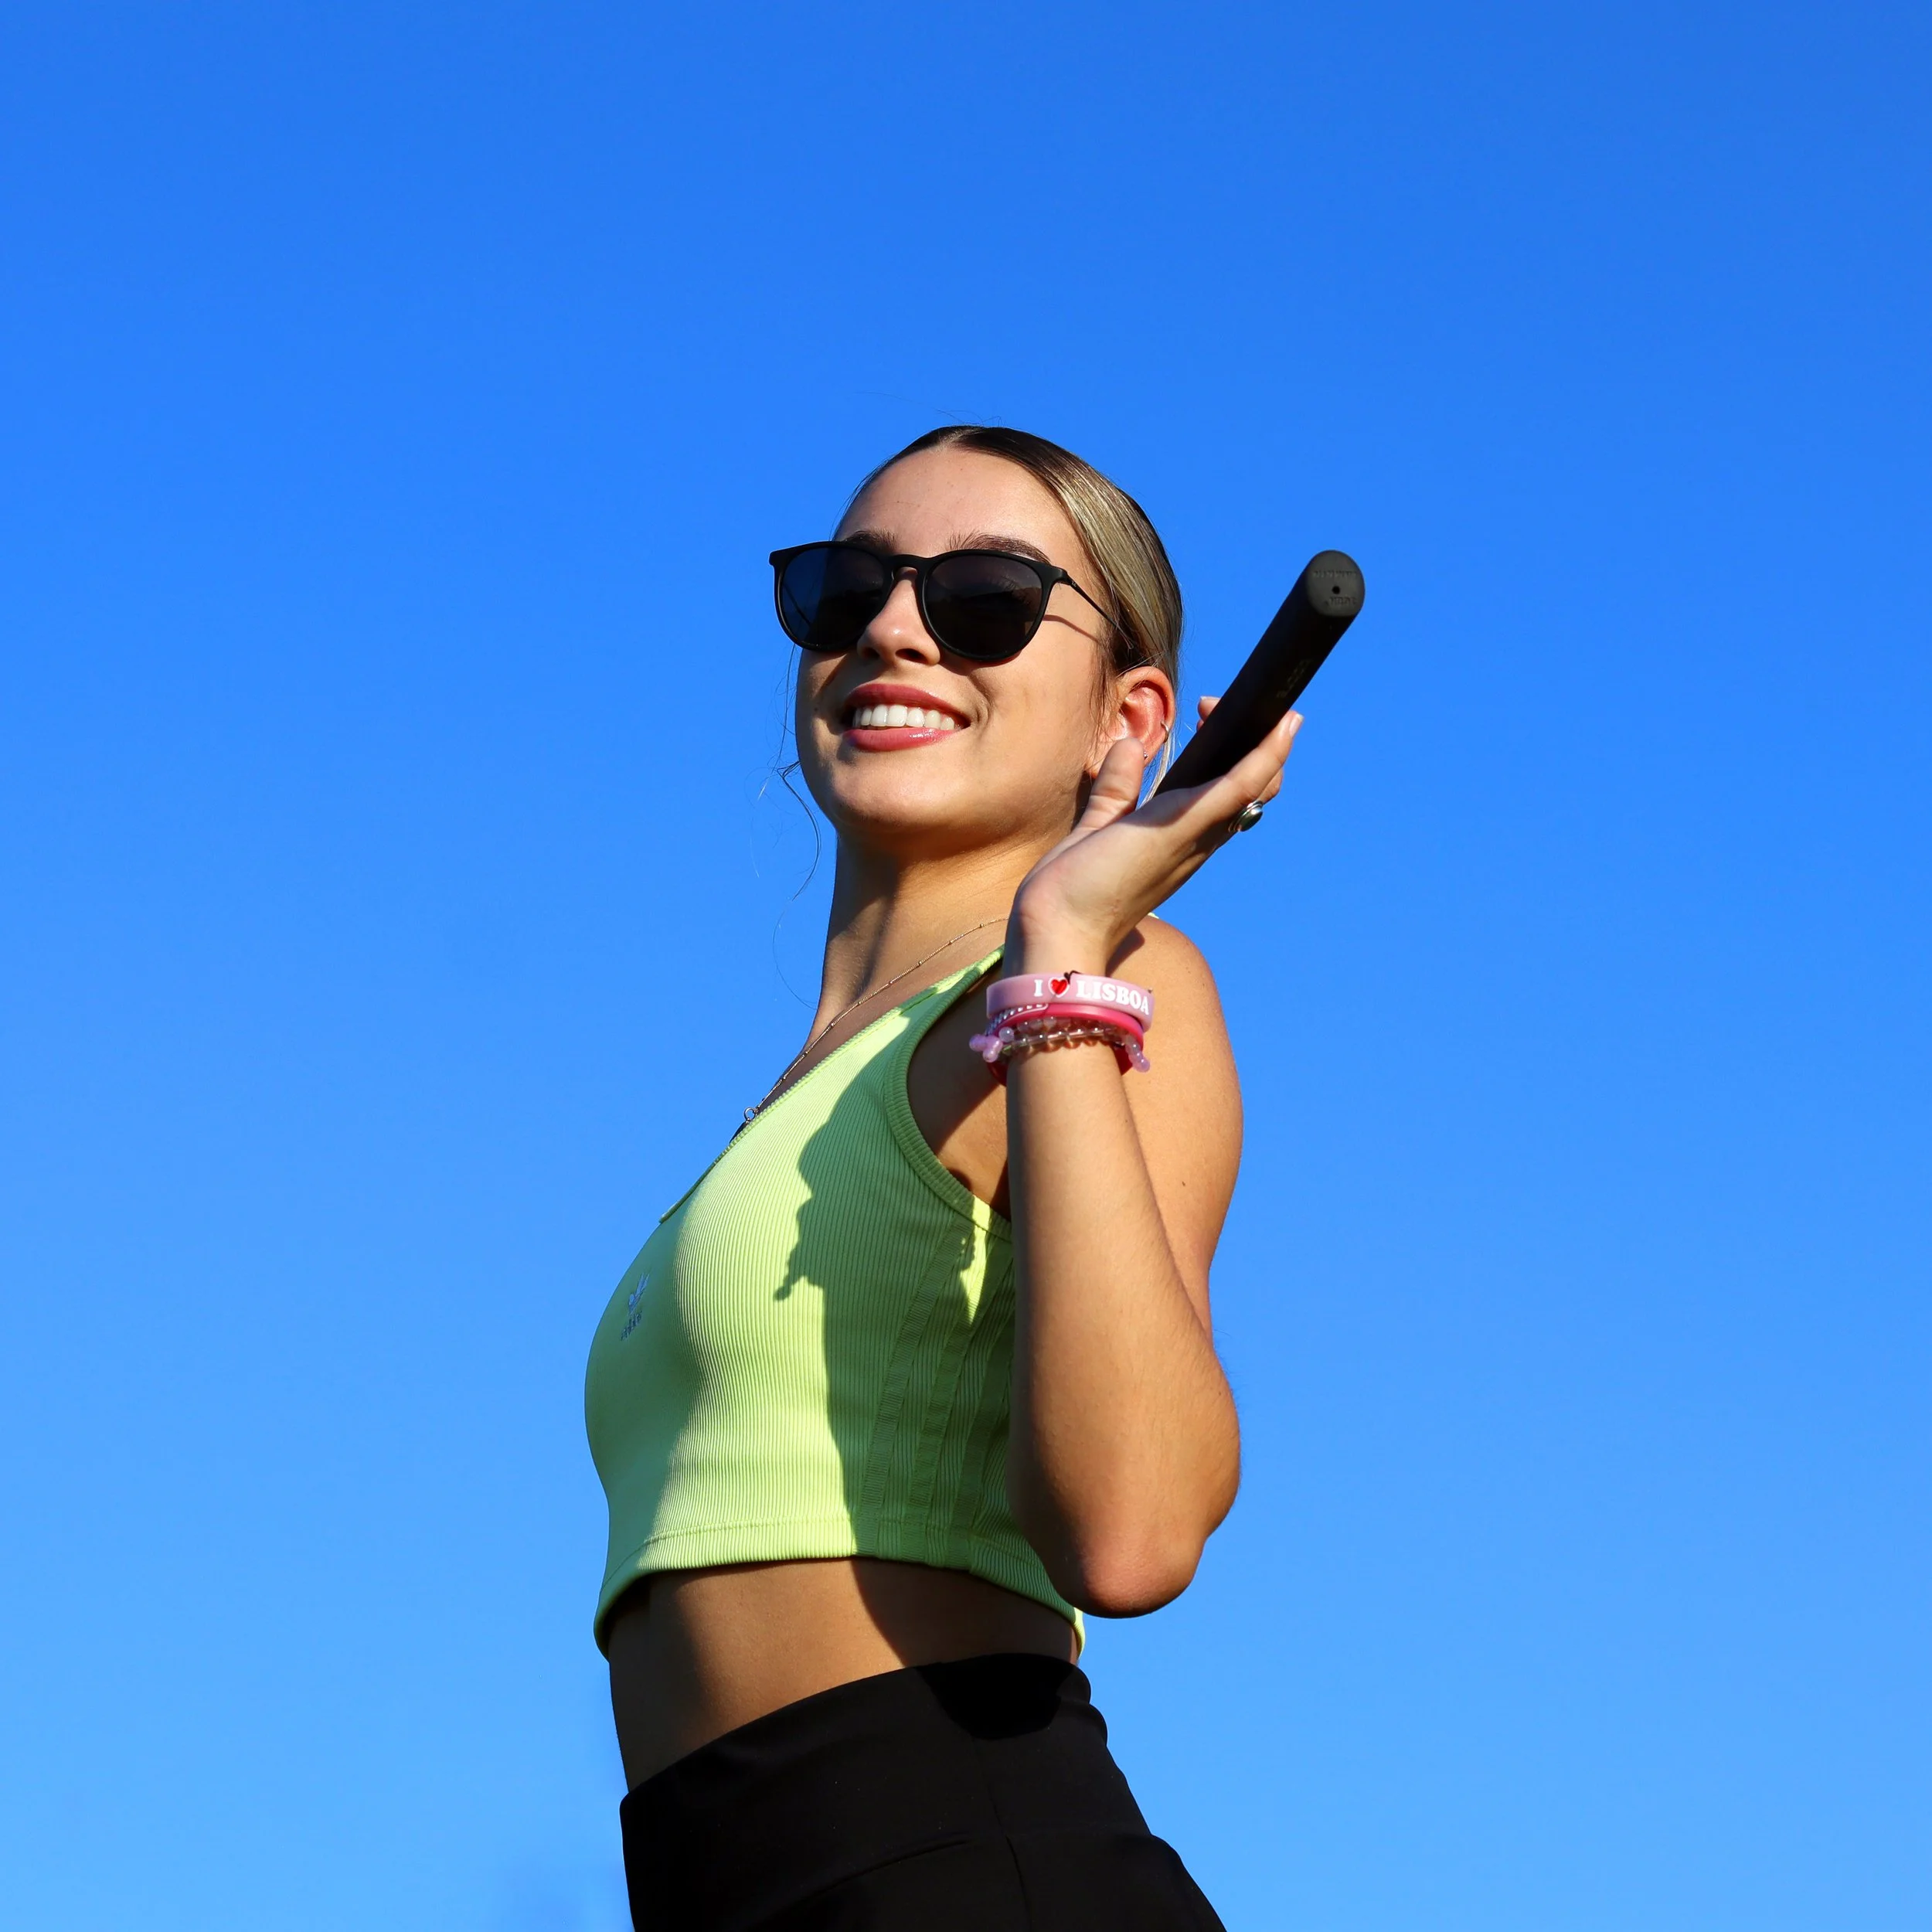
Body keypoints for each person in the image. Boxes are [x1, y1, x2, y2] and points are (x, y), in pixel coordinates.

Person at [585, 425, 1301, 1930]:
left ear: (1131, 718)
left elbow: (1131, 1528)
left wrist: (1059, 950)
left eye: (984, 598)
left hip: (959, 1868)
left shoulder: (1102, 988)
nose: (894, 628)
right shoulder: (817, 1080)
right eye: (844, 590)